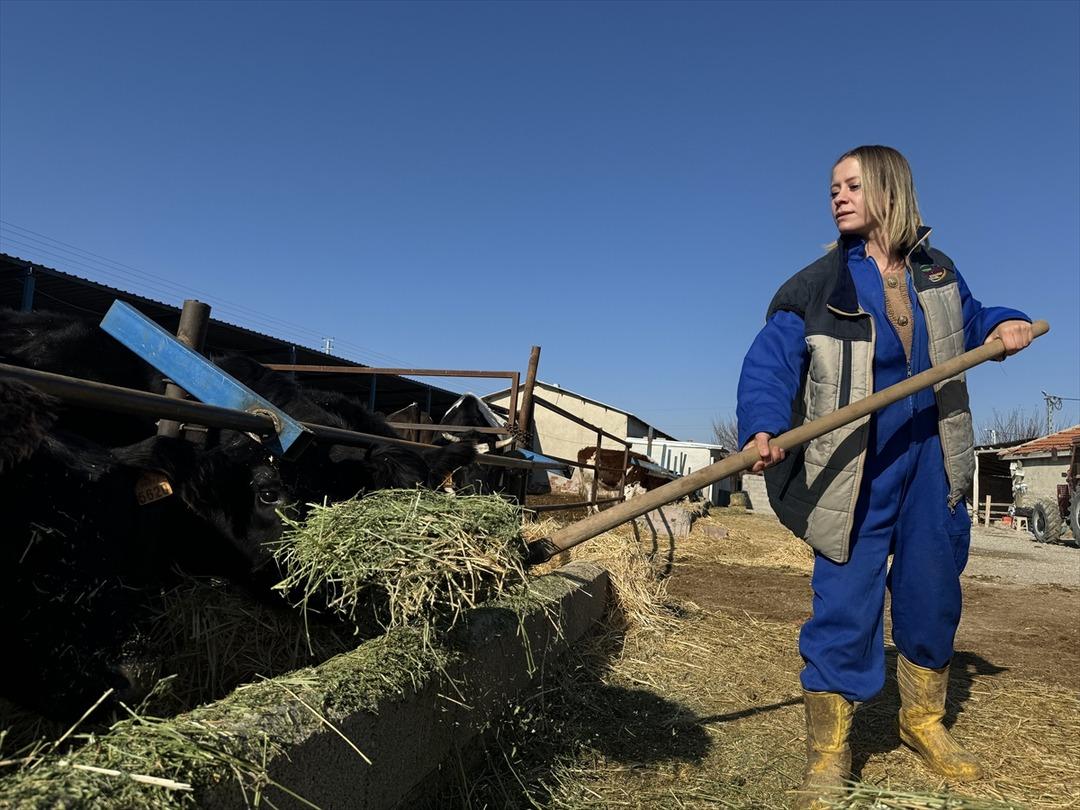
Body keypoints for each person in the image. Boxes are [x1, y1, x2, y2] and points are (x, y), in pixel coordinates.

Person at [735, 145, 1033, 808]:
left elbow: (974, 319)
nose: (837, 196)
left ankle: (922, 721)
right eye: (832, 187)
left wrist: (1005, 322)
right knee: (844, 602)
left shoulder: (938, 272)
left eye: (850, 186)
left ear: (889, 192)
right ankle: (830, 751)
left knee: (932, 595)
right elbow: (769, 366)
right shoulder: (818, 285)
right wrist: (762, 424)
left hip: (931, 455)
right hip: (853, 467)